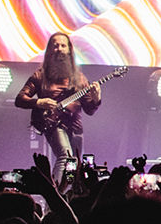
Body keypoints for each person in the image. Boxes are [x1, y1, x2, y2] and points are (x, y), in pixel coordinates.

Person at [14, 32, 102, 163]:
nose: (59, 49)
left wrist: (97, 99)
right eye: (55, 46)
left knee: (76, 163)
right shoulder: (40, 76)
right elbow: (20, 99)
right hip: (54, 123)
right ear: (49, 50)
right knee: (65, 157)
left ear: (69, 50)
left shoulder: (80, 78)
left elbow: (89, 110)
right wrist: (39, 102)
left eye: (63, 46)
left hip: (75, 126)